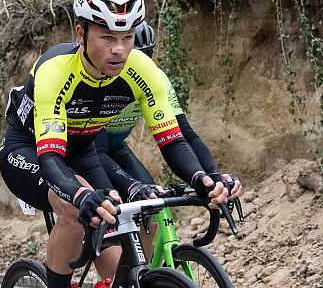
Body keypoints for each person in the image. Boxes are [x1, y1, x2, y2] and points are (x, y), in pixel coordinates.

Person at [0, 0, 228, 288]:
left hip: (83, 147)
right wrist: (82, 194)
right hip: (28, 151)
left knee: (123, 253)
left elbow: (175, 139)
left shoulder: (142, 70)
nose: (119, 50)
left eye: (126, 37)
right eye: (107, 38)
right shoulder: (54, 71)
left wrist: (203, 179)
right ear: (81, 32)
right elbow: (50, 160)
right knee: (72, 209)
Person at [94, 21, 242, 246]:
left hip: (115, 147)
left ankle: (139, 279)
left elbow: (185, 135)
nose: (135, 67)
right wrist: (131, 186)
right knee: (105, 218)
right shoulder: (100, 77)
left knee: (152, 210)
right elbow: (97, 150)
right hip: (89, 149)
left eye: (145, 57)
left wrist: (213, 177)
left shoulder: (155, 78)